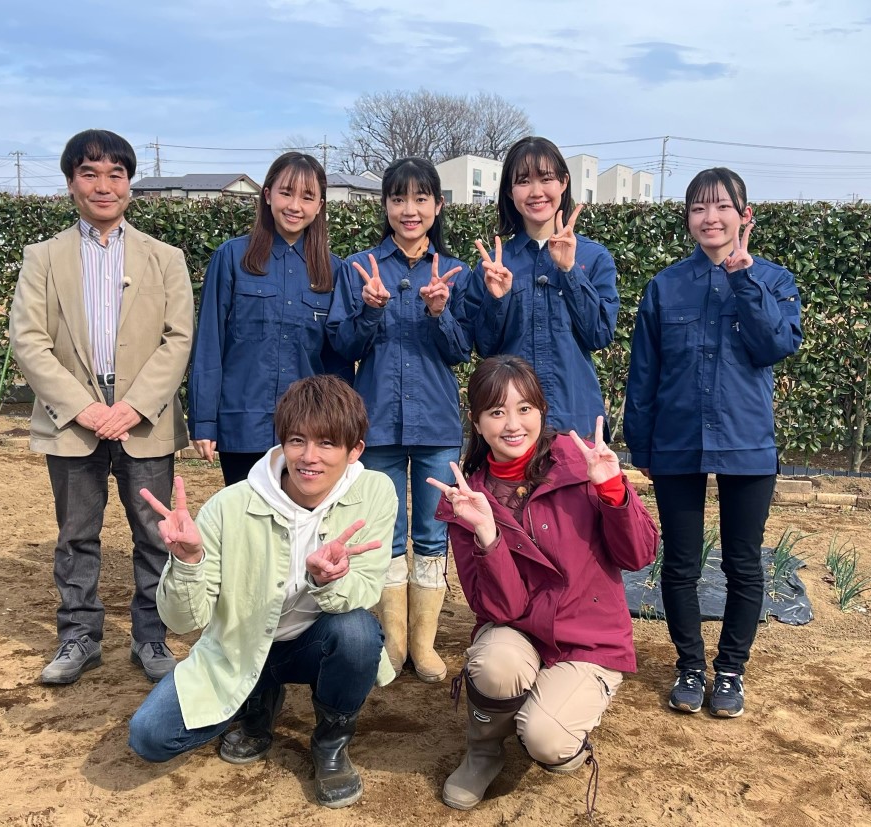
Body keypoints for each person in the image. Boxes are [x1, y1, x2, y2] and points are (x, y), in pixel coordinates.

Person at [128, 375, 398, 810]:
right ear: (282, 443)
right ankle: (257, 701)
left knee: (357, 632)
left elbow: (364, 589)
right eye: (297, 441)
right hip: (241, 649)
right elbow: (182, 622)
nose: (310, 458)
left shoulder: (375, 493)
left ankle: (331, 742)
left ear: (355, 451)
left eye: (328, 444)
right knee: (149, 737)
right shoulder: (228, 506)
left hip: (317, 643)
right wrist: (188, 561)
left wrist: (324, 580)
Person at [430, 355, 658, 811]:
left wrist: (613, 489)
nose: (513, 425)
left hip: (588, 635)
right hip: (519, 629)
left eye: (525, 409)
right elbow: (501, 609)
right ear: (476, 422)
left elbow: (639, 555)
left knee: (546, 739)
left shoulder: (581, 463)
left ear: (541, 412)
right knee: (495, 664)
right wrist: (488, 534)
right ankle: (483, 750)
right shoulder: (469, 499)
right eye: (496, 412)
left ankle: (552, 718)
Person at [9, 129, 194, 686]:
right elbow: (30, 340)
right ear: (71, 183)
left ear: (130, 185)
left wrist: (134, 405)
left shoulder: (165, 258)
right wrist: (84, 408)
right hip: (74, 420)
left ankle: (151, 636)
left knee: (154, 531)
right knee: (76, 533)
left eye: (116, 174)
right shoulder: (42, 258)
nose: (103, 185)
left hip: (146, 418)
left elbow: (178, 338)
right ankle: (79, 636)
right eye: (90, 173)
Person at [624, 167, 802, 718]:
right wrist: (642, 445)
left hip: (747, 443)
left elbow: (775, 345)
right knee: (678, 563)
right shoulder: (665, 285)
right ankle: (690, 665)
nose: (711, 218)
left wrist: (745, 281)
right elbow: (644, 372)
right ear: (688, 219)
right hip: (677, 440)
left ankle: (730, 671)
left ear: (744, 215)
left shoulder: (772, 280)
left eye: (722, 206)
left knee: (743, 563)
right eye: (699, 208)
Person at [327, 158, 469, 683]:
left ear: (437, 205)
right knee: (385, 535)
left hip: (435, 424)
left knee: (433, 534)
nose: (409, 210)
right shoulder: (359, 268)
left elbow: (461, 351)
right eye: (398, 199)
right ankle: (393, 643)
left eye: (421, 198)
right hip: (378, 423)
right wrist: (367, 310)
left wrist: (439, 312)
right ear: (385, 205)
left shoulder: (455, 271)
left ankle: (425, 648)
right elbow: (342, 345)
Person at [187, 152, 353, 486]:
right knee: (247, 524)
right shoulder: (232, 258)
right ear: (267, 195)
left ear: (320, 205)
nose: (295, 206)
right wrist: (204, 421)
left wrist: (338, 429)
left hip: (309, 433)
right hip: (242, 422)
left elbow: (337, 362)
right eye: (286, 193)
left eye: (308, 197)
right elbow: (209, 343)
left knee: (302, 526)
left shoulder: (333, 270)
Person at [464, 136, 619, 437]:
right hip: (513, 428)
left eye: (546, 179)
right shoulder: (496, 264)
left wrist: (570, 271)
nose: (536, 192)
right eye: (523, 181)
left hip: (576, 420)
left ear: (563, 182)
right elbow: (485, 348)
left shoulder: (593, 257)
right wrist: (497, 300)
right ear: (510, 192)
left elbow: (599, 334)